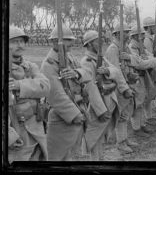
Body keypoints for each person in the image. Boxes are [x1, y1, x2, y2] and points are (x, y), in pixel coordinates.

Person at [41, 24, 93, 161]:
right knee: (56, 155)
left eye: (70, 42)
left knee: (71, 153)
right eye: (66, 42)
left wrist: (76, 73)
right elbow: (55, 95)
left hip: (77, 108)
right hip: (61, 115)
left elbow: (88, 74)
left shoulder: (71, 58)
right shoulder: (49, 64)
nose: (70, 46)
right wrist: (75, 114)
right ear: (54, 42)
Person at [80, 30, 133, 160]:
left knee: (102, 133)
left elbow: (115, 70)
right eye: (97, 41)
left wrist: (107, 70)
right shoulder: (86, 61)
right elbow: (90, 86)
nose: (101, 43)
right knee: (94, 134)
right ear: (89, 44)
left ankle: (100, 157)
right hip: (96, 104)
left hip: (107, 98)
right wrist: (100, 110)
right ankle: (95, 159)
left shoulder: (100, 58)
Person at [8, 26, 50, 161]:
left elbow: (45, 86)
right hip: (16, 130)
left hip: (35, 125)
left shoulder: (30, 66)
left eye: (21, 41)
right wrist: (9, 136)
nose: (19, 45)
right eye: (14, 42)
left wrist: (20, 85)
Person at [105, 23, 138, 154]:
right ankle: (121, 143)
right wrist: (125, 89)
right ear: (117, 34)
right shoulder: (113, 49)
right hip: (119, 88)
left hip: (127, 84)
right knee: (121, 116)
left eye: (128, 32)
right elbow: (116, 71)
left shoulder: (124, 48)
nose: (127, 34)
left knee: (126, 115)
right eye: (125, 32)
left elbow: (135, 60)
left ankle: (124, 139)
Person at [127, 26, 156, 141]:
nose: (142, 37)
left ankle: (142, 125)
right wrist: (153, 61)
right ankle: (136, 128)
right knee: (138, 103)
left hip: (143, 76)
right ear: (135, 36)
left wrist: (150, 59)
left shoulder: (139, 47)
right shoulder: (132, 47)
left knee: (142, 101)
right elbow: (139, 64)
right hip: (136, 77)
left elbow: (149, 56)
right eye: (141, 35)